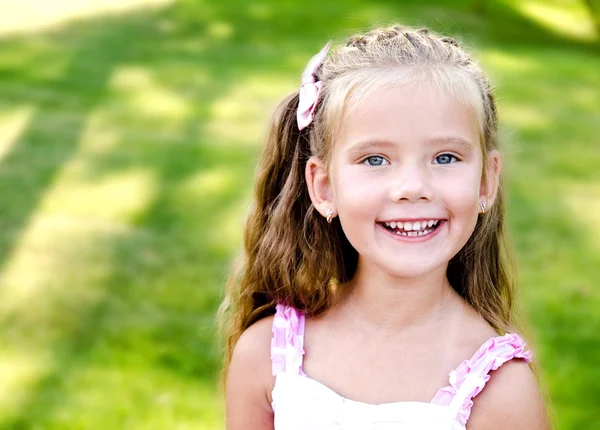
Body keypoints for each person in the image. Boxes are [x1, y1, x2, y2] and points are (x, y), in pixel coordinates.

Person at [219, 24, 551, 429]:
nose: (412, 188)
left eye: (445, 157)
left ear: (486, 180)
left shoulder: (501, 389)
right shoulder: (268, 354)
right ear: (323, 187)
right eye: (375, 159)